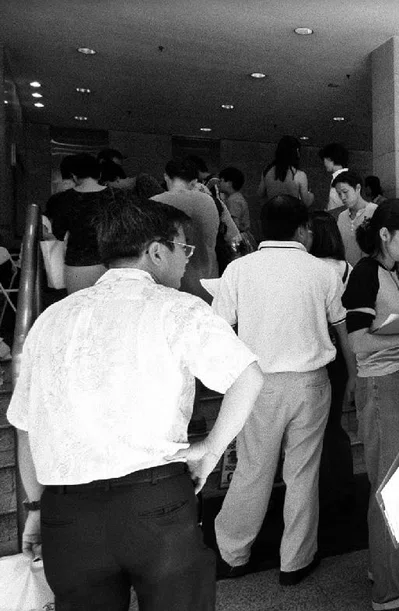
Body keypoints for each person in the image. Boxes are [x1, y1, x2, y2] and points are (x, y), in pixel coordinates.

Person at [9, 197, 264, 610]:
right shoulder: (177, 308)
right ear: (156, 251)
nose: (186, 262)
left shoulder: (50, 319)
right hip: (155, 502)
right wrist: (210, 450)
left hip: (67, 512)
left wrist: (36, 506)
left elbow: (24, 423)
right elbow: (248, 377)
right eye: (185, 250)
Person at [213, 195, 356, 585]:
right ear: (301, 230)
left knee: (253, 469)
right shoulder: (321, 272)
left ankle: (233, 553)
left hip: (256, 383)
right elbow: (340, 327)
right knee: (303, 473)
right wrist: (355, 375)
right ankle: (294, 561)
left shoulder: (238, 270)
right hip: (311, 383)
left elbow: (219, 331)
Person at [341, 199, 399, 611]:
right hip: (381, 387)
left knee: (398, 483)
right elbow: (359, 342)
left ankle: (386, 567)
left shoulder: (396, 271)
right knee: (390, 487)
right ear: (385, 235)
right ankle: (391, 597)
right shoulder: (366, 273)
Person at [308, 209, 357, 513]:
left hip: (313, 350)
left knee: (312, 426)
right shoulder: (348, 268)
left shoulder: (306, 268)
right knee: (334, 423)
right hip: (341, 351)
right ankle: (342, 487)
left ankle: (317, 490)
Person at [151, 158, 221, 302]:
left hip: (168, 288)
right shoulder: (211, 201)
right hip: (207, 284)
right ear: (194, 181)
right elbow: (234, 236)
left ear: (166, 176)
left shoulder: (153, 203)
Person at [47, 153, 117, 293]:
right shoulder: (117, 196)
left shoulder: (63, 199)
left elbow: (58, 233)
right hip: (113, 263)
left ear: (73, 176)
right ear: (99, 173)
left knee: (80, 310)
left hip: (78, 265)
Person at [333, 171, 378, 266]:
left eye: (345, 192)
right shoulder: (341, 216)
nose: (343, 197)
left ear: (358, 188)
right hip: (347, 271)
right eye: (339, 194)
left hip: (369, 270)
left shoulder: (375, 211)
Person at [260, 135, 315, 207]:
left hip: (272, 215)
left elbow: (260, 193)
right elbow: (306, 203)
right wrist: (311, 195)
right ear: (297, 151)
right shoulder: (300, 175)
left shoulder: (267, 171)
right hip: (292, 216)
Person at [219, 166, 257, 250]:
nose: (219, 184)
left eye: (221, 181)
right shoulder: (237, 197)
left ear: (229, 183)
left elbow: (234, 224)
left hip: (238, 240)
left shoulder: (233, 201)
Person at [322, 142, 349, 212]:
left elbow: (343, 206)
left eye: (324, 159)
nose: (324, 163)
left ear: (329, 158)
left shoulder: (342, 178)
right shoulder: (343, 176)